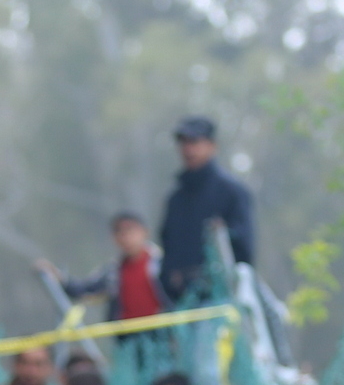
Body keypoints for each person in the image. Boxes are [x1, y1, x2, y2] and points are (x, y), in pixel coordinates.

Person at [158, 116, 254, 303]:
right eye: (183, 142)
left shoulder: (232, 192)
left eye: (194, 141)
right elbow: (167, 247)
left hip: (222, 299)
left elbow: (244, 251)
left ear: (212, 146)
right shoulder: (176, 200)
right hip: (182, 303)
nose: (188, 149)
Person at [43, 212, 165, 322]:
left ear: (145, 232)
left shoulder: (162, 264)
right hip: (128, 339)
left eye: (130, 230)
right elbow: (85, 289)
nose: (126, 237)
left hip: (164, 334)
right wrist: (58, 277)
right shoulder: (113, 272)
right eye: (119, 232)